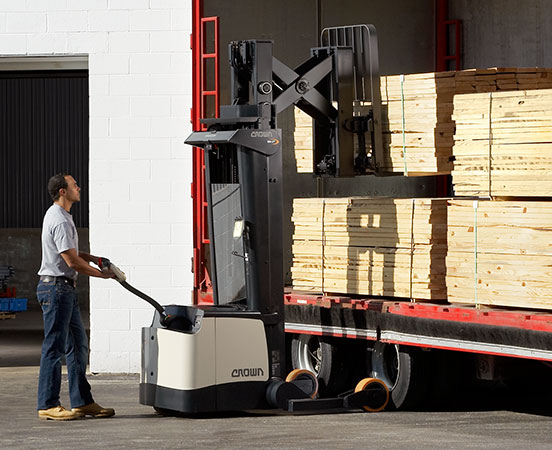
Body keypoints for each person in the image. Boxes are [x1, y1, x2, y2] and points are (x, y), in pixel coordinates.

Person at [36, 173, 115, 421]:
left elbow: (72, 252)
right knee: (55, 347)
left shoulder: (62, 217)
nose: (78, 188)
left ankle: (82, 401)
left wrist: (92, 258)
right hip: (56, 289)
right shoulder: (59, 219)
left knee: (78, 346)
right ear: (62, 191)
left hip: (64, 290)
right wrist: (102, 276)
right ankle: (48, 404)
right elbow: (71, 261)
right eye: (74, 185)